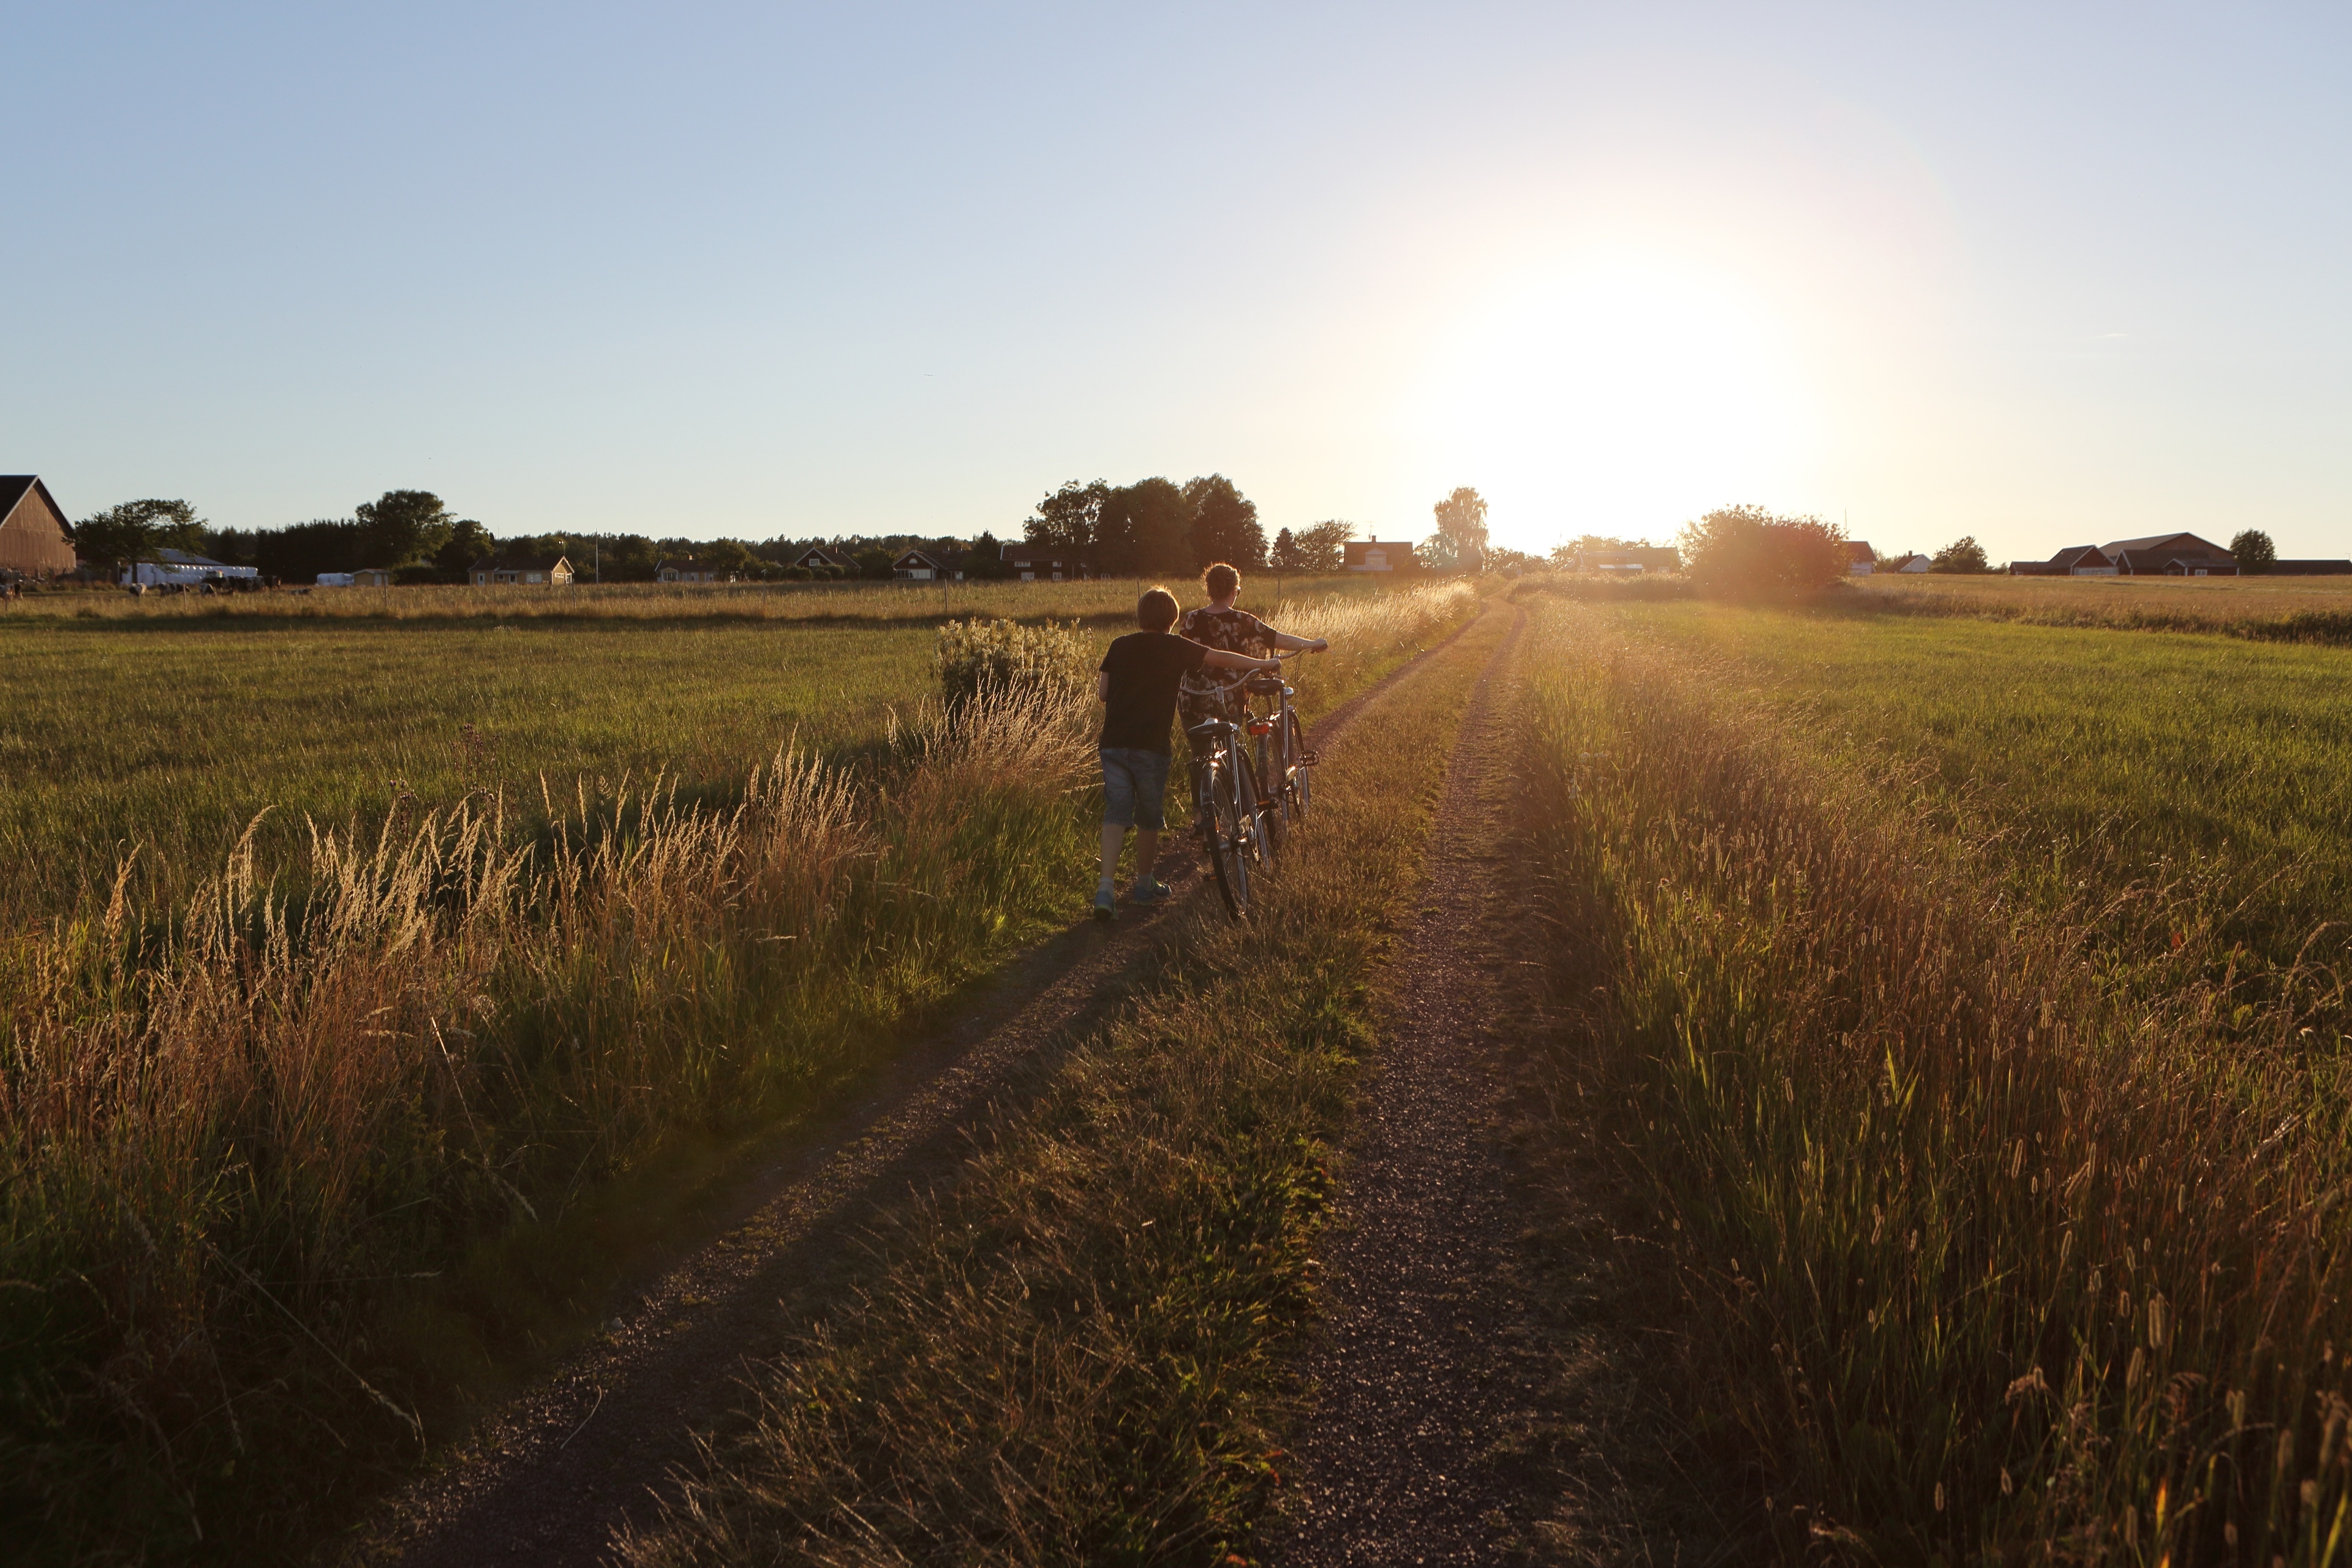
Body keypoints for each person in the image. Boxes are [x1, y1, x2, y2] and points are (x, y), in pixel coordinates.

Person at [1095, 586, 1281, 920]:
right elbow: (1221, 658)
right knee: (1148, 817)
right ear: (1172, 620)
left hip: (1113, 742)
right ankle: (1143, 885)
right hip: (1150, 745)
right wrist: (1263, 663)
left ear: (1140, 616)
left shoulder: (1118, 645)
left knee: (1115, 814)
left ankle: (1105, 890)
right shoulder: (1175, 646)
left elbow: (1103, 693)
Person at [1177, 562, 1328, 820]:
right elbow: (1280, 640)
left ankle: (1203, 820)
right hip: (1228, 701)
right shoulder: (1242, 621)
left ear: (1209, 590)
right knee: (1231, 751)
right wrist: (1313, 643)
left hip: (1193, 700)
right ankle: (1239, 811)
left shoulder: (1191, 619)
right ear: (1234, 590)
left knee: (1201, 757)